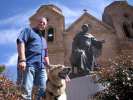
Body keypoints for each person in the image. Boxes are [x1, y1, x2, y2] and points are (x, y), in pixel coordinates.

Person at [16, 16, 49, 100]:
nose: (42, 24)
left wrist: (49, 66)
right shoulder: (28, 31)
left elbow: (45, 55)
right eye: (40, 22)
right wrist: (22, 60)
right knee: (26, 91)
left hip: (41, 68)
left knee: (43, 90)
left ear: (45, 26)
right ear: (37, 22)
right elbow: (21, 42)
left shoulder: (44, 40)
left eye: (44, 23)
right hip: (29, 64)